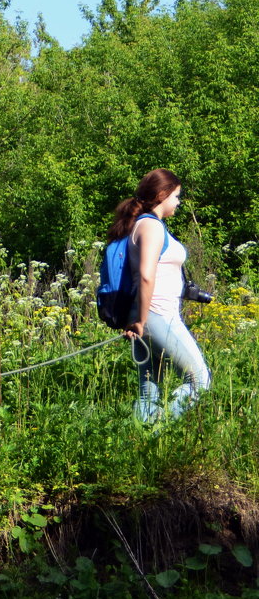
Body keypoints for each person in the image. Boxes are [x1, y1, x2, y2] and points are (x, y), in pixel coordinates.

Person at [106, 168, 210, 423]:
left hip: (144, 316)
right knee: (199, 379)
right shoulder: (151, 227)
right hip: (155, 316)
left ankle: (140, 441)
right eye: (176, 196)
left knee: (148, 389)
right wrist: (141, 321)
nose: (178, 202)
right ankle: (159, 431)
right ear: (162, 195)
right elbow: (145, 275)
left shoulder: (140, 225)